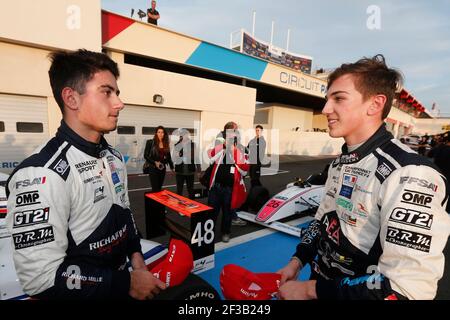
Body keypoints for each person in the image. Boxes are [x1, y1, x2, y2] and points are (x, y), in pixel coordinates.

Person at [277, 55, 450, 300]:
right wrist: (297, 261)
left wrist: (308, 290)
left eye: (338, 98)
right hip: (323, 287)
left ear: (375, 104)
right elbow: (323, 220)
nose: (326, 109)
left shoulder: (410, 174)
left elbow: (407, 289)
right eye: (328, 99)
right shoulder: (341, 162)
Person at [5, 49, 165, 299]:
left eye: (117, 93)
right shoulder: (40, 174)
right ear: (71, 98)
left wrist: (137, 260)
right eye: (106, 92)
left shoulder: (112, 157)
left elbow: (125, 216)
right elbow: (40, 279)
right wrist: (126, 283)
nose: (119, 103)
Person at [207, 122, 249, 242]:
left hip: (230, 189)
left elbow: (244, 170)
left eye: (234, 131)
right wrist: (223, 146)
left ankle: (226, 232)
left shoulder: (241, 148)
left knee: (227, 214)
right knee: (212, 213)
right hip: (216, 187)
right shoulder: (220, 144)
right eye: (229, 131)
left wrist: (234, 150)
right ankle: (209, 234)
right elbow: (211, 156)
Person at [144, 125, 174, 193]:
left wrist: (172, 167)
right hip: (153, 168)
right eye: (159, 132)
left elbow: (169, 157)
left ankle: (157, 202)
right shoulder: (150, 142)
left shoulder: (166, 143)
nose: (160, 134)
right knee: (155, 189)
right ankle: (154, 202)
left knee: (159, 188)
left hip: (162, 168)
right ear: (156, 133)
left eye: (162, 132)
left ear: (164, 134)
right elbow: (145, 155)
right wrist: (155, 162)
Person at [173, 128, 201, 199]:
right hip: (180, 171)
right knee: (179, 190)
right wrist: (176, 156)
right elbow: (174, 158)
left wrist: (199, 170)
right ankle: (179, 205)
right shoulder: (177, 145)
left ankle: (191, 205)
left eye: (186, 134)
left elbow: (196, 157)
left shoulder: (192, 145)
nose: (184, 136)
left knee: (190, 190)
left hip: (190, 171)